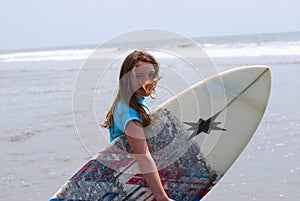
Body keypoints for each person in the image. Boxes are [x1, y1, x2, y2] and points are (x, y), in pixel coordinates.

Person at [101, 50, 174, 201]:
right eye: (139, 76)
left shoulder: (137, 100)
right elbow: (143, 157)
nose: (146, 81)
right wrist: (161, 197)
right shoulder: (128, 112)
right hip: (130, 181)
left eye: (151, 75)